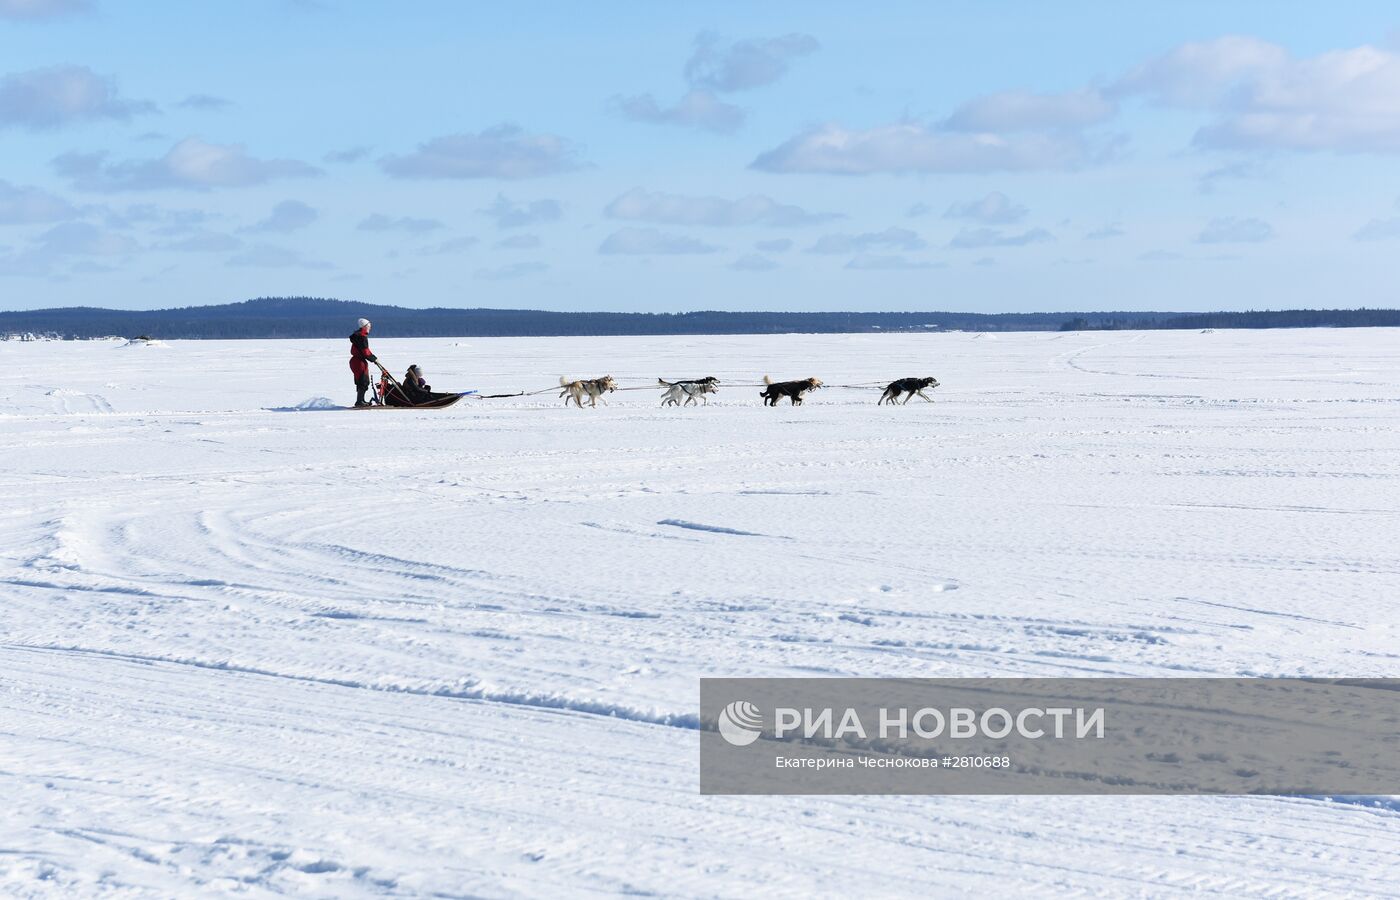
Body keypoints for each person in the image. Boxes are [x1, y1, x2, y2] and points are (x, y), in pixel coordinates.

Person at [348, 318, 378, 407]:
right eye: (369, 326)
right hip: (358, 362)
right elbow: (365, 351)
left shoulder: (359, 336)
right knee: (363, 381)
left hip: (357, 361)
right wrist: (373, 359)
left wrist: (372, 357)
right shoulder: (361, 336)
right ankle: (359, 402)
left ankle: (361, 400)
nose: (370, 328)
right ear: (365, 327)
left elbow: (365, 351)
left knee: (361, 381)